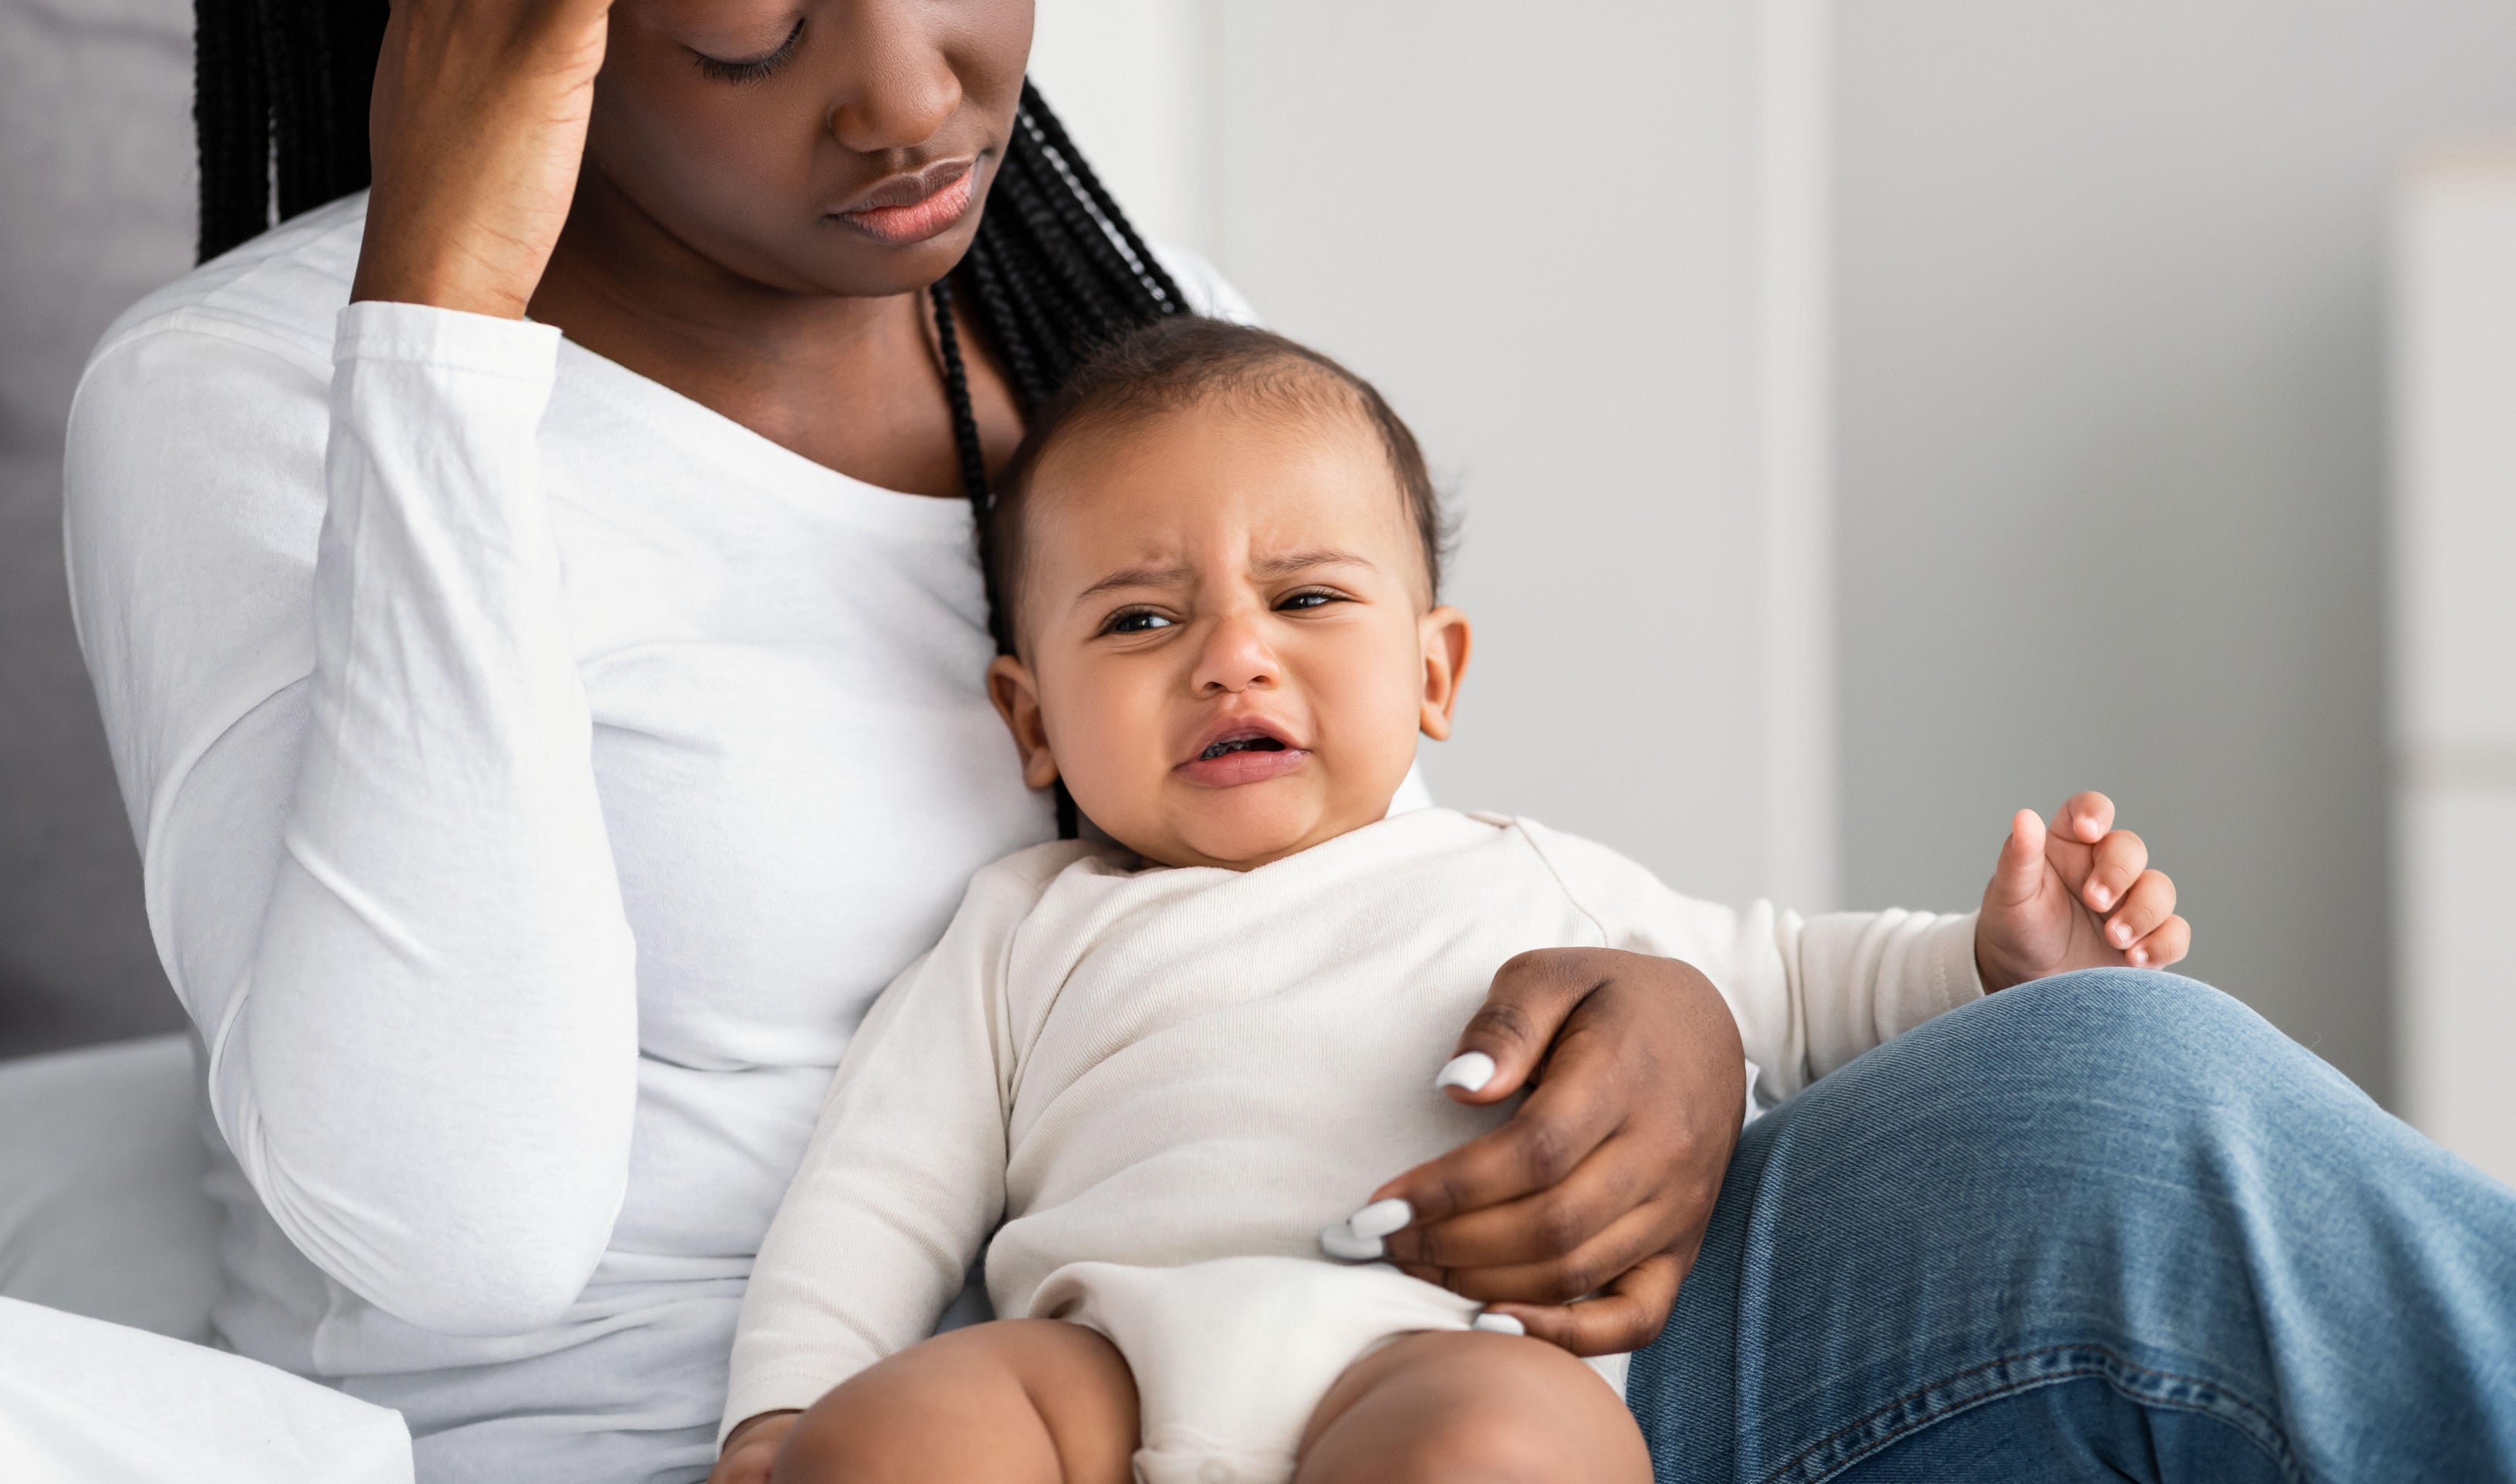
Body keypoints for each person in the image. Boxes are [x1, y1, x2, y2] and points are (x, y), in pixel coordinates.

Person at [60, 0, 2516, 1480]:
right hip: (870, 1431)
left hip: (1405, 1364)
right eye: (736, 30)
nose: (916, 100)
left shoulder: (1093, 317)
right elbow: (449, 1219)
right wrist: (450, 321)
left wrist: (1668, 1030)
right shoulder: (263, 404)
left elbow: (1363, 873)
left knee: (2119, 1085)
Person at [709, 318, 2183, 1484]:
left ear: (1433, 673)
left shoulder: (1520, 878)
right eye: (1142, 619)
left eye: (1306, 600)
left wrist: (1995, 962)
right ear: (1031, 723)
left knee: (1498, 1453)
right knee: (890, 1445)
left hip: (1434, 1349)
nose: (1232, 658)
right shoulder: (1023, 928)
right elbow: (878, 1189)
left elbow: (1793, 987)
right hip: (1102, 1365)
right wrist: (780, 1412)